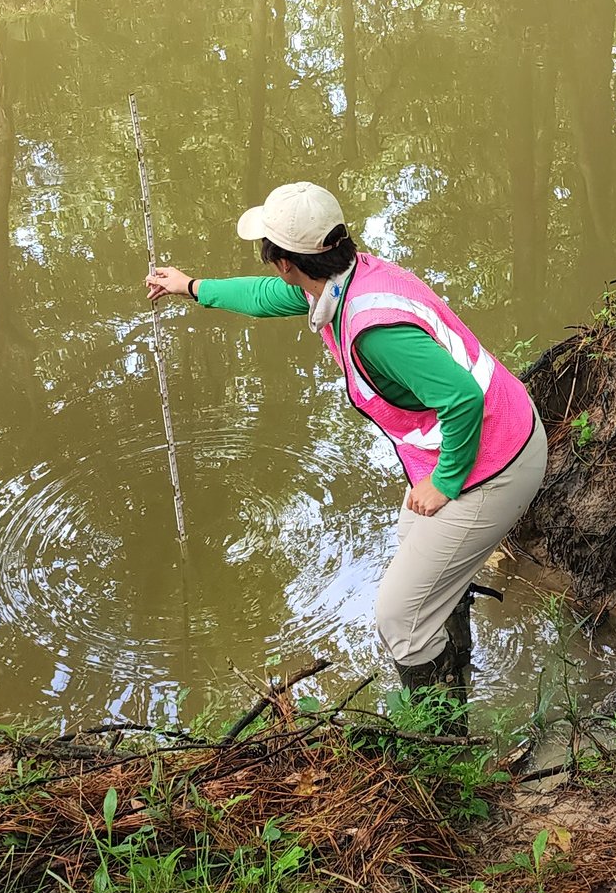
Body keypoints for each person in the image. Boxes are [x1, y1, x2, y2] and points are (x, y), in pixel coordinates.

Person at [146, 181, 547, 710]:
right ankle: (457, 674)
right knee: (414, 547)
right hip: (496, 434)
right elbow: (263, 298)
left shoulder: (372, 329)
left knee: (399, 619)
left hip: (496, 461)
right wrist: (192, 286)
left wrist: (446, 481)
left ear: (287, 262)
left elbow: (462, 399)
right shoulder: (346, 279)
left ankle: (441, 736)